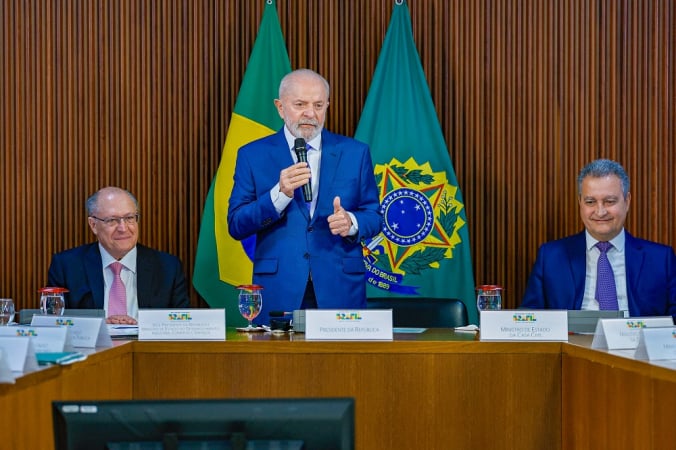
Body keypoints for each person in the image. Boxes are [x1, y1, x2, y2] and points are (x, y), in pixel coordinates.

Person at [228, 68, 382, 324]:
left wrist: (351, 223)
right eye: (300, 104)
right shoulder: (252, 155)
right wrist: (278, 195)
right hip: (279, 288)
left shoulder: (355, 153)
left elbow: (374, 217)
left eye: (318, 105)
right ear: (280, 107)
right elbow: (236, 224)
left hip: (339, 288)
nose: (310, 113)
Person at [521, 159, 676, 320]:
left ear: (627, 201)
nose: (600, 212)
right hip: (572, 343)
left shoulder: (661, 259)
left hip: (638, 342)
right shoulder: (551, 257)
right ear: (580, 202)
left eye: (609, 201)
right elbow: (531, 319)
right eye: (590, 202)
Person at [47, 186, 190, 324]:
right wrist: (98, 326)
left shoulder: (168, 267)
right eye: (112, 220)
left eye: (129, 218)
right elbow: (54, 322)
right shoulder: (66, 266)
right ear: (93, 225)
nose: (123, 228)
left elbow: (181, 325)